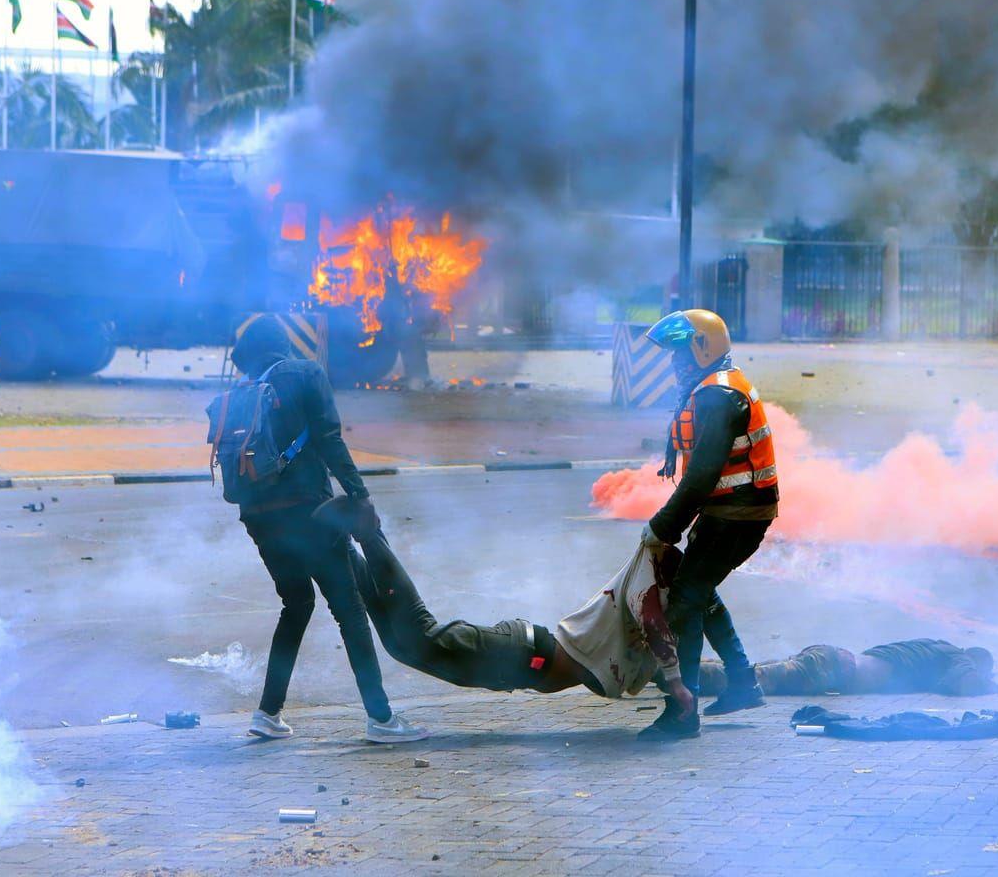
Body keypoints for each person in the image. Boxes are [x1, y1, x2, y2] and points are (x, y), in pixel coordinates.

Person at [315, 497, 698, 725]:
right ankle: (365, 527)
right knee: (420, 633)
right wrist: (678, 684)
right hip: (523, 654)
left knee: (403, 646)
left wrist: (719, 679)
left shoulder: (654, 600)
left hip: (517, 663)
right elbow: (653, 624)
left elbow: (660, 649)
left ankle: (345, 548)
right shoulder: (649, 581)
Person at [227, 316, 426, 744]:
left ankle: (267, 712)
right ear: (285, 344)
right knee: (349, 610)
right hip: (308, 512)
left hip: (259, 519)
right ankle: (381, 719)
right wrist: (359, 493)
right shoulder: (305, 374)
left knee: (296, 605)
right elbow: (329, 438)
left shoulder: (242, 390)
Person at [638, 309, 778, 741]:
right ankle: (743, 683)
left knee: (685, 600)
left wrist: (662, 526)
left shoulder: (718, 396)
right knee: (697, 588)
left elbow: (700, 477)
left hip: (736, 516)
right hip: (734, 512)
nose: (674, 364)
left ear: (704, 347)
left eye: (681, 354)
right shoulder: (716, 385)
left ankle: (684, 710)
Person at [696, 640, 998, 698]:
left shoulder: (934, 647)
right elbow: (968, 684)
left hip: (832, 660)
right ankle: (680, 676)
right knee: (754, 680)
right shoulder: (957, 655)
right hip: (833, 669)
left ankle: (680, 671)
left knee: (751, 672)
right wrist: (994, 686)